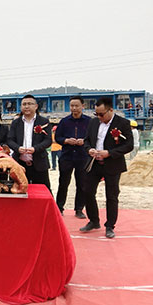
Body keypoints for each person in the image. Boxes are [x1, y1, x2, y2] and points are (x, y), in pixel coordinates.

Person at [80, 97, 133, 239]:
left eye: (101, 114)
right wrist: (89, 149)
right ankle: (93, 220)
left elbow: (129, 145)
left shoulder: (123, 123)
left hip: (112, 164)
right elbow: (87, 141)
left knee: (112, 195)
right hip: (94, 163)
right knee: (87, 191)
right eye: (96, 114)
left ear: (111, 110)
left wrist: (109, 153)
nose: (99, 117)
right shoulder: (93, 122)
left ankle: (110, 226)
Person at [54, 96, 90, 218]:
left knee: (82, 184)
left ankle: (79, 209)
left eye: (76, 106)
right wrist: (66, 140)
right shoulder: (64, 121)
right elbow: (58, 137)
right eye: (72, 106)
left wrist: (84, 141)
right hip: (67, 156)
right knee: (63, 183)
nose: (74, 108)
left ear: (83, 106)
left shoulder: (89, 121)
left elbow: (93, 138)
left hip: (82, 156)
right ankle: (59, 208)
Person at [7, 94, 52, 190]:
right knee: (19, 190)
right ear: (21, 107)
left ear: (36, 106)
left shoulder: (44, 121)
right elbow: (10, 140)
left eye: (29, 104)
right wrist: (17, 148)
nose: (26, 106)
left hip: (39, 163)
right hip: (20, 163)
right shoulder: (16, 123)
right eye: (24, 104)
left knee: (42, 191)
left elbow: (48, 141)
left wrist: (35, 148)